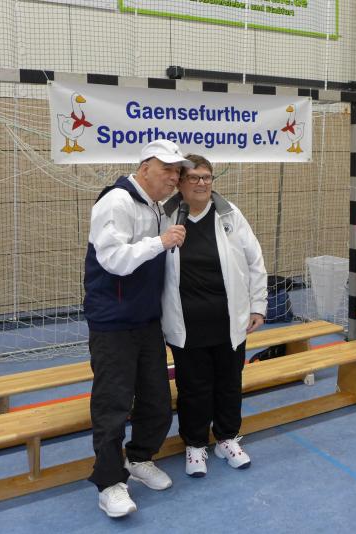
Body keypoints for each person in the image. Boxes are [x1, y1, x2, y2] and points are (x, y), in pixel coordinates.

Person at [83, 139, 192, 518]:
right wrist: (160, 242)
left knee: (156, 400)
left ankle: (140, 457)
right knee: (113, 405)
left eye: (177, 172)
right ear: (145, 168)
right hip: (113, 323)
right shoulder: (116, 202)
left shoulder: (158, 207)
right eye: (167, 170)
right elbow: (114, 259)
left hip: (147, 321)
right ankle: (109, 483)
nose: (173, 178)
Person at [161, 154, 268, 478]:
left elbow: (255, 261)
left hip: (229, 320)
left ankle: (227, 438)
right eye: (193, 177)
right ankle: (195, 445)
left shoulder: (229, 214)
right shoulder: (164, 216)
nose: (202, 183)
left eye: (206, 177)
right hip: (186, 323)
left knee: (229, 384)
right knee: (193, 388)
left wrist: (258, 305)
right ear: (180, 183)